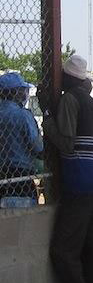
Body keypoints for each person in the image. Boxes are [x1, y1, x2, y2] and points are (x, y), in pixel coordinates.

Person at [39, 55, 93, 283]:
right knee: (91, 252)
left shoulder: (70, 99)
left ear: (67, 78)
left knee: (63, 252)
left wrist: (47, 118)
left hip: (78, 177)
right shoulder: (90, 101)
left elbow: (66, 143)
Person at [0, 72, 43, 203]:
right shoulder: (22, 115)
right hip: (20, 176)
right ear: (14, 93)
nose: (25, 94)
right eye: (23, 90)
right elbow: (38, 148)